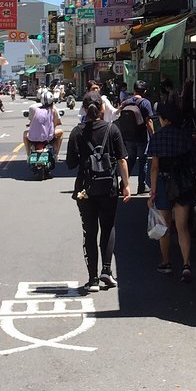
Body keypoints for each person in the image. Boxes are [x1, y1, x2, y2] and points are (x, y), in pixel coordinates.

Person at [65, 96, 131, 293]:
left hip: (85, 189)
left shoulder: (77, 132)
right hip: (109, 188)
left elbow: (70, 163)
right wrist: (126, 185)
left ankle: (92, 279)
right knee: (108, 227)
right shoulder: (112, 129)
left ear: (84, 109)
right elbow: (122, 160)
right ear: (102, 108)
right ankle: (107, 270)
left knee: (90, 231)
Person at [146, 101, 196, 282]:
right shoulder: (186, 136)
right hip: (183, 184)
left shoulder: (157, 138)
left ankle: (166, 262)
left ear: (165, 119)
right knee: (182, 227)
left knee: (164, 226)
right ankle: (186, 265)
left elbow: (154, 168)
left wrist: (152, 193)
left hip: (162, 183)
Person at [114, 91, 149, 194]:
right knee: (143, 161)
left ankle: (123, 184)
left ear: (134, 91)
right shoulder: (145, 103)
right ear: (144, 91)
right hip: (141, 137)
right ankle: (142, 186)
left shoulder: (126, 102)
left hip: (128, 137)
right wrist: (153, 135)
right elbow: (149, 121)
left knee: (131, 160)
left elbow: (117, 114)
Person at [24, 88, 63, 165]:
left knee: (24, 134)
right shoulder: (53, 110)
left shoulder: (36, 110)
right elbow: (55, 124)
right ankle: (56, 154)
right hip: (48, 137)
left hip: (33, 137)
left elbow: (31, 123)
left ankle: (28, 154)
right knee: (61, 132)